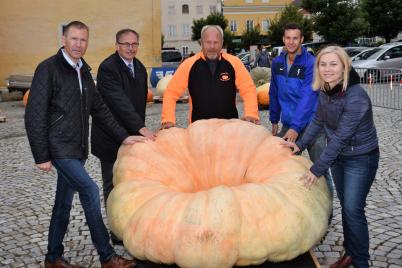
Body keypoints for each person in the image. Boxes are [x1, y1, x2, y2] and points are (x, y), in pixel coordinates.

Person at [25, 21, 140, 268]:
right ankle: (107, 257)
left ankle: (53, 257)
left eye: (83, 40)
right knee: (89, 190)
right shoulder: (48, 69)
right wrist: (41, 155)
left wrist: (123, 136)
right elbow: (34, 114)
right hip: (59, 148)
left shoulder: (83, 71)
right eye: (74, 39)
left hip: (77, 149)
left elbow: (99, 109)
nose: (79, 44)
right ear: (64, 40)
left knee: (63, 203)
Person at [283, 46, 379, 268]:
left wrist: (316, 169)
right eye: (323, 64)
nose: (327, 69)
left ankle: (361, 262)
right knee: (347, 206)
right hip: (341, 158)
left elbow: (340, 138)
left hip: (361, 158)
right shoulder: (325, 90)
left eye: (333, 64)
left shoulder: (356, 96)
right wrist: (299, 145)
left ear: (344, 67)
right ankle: (350, 254)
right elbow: (318, 121)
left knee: (354, 209)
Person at [91, 29, 155, 244]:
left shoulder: (139, 67)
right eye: (126, 44)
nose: (130, 48)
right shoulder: (107, 68)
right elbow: (120, 104)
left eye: (134, 44)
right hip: (110, 137)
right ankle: (116, 231)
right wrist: (143, 128)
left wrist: (139, 129)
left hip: (133, 139)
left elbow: (138, 106)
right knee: (113, 186)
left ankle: (132, 223)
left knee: (132, 185)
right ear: (117, 44)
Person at [269, 22, 333, 196]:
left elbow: (308, 97)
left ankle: (328, 209)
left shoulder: (310, 63)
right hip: (288, 123)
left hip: (313, 125)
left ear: (302, 40)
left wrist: (296, 128)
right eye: (288, 38)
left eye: (295, 38)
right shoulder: (277, 63)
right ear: (283, 39)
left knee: (319, 167)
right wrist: (274, 119)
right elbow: (274, 91)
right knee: (280, 165)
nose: (291, 42)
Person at [160, 25, 259, 128]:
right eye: (208, 42)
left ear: (222, 43)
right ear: (201, 43)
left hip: (229, 128)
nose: (212, 46)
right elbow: (171, 93)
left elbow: (248, 90)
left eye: (216, 42)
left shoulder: (234, 63)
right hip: (198, 129)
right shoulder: (188, 65)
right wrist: (168, 120)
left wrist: (251, 114)